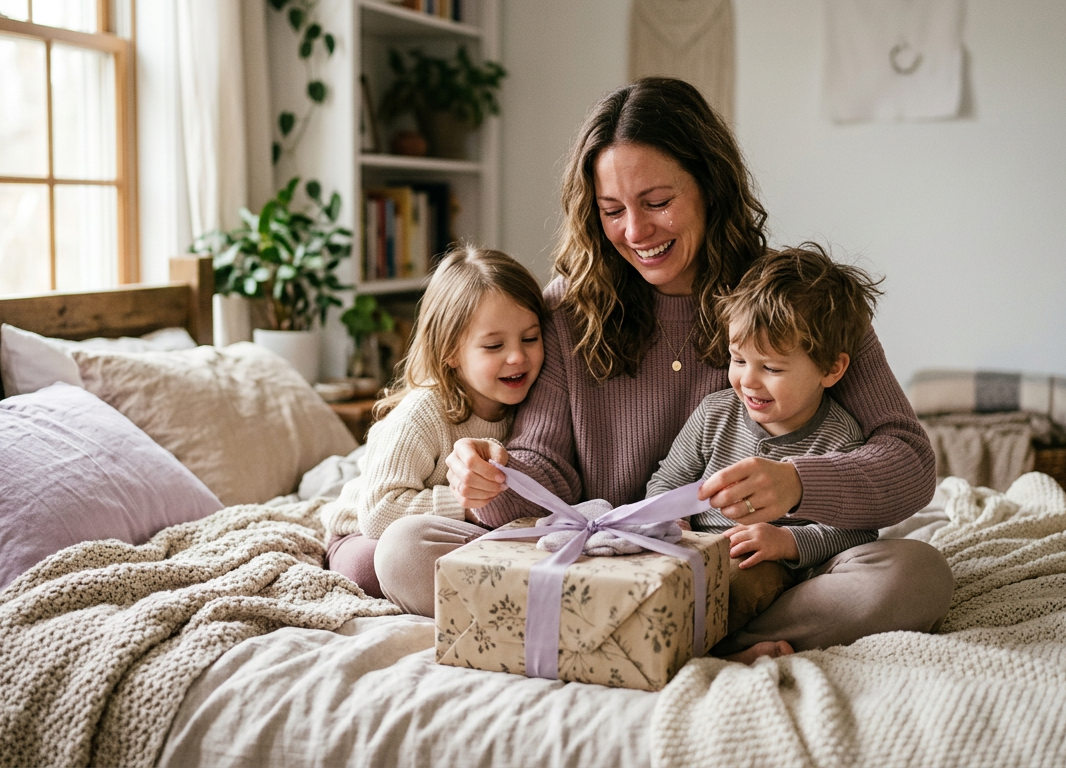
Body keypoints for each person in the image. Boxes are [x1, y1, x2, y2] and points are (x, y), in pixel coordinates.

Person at [379, 77, 954, 657]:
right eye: (612, 210)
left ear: (710, 185)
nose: (635, 231)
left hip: (755, 576)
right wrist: (497, 480)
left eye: (657, 203)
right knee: (403, 548)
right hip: (604, 567)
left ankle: (625, 638)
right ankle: (691, 641)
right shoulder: (563, 311)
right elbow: (546, 471)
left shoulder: (797, 302)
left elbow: (906, 460)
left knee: (915, 574)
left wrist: (799, 485)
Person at [645, 243, 883, 662]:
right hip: (692, 552)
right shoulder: (715, 413)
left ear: (832, 370)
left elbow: (858, 531)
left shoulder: (839, 437)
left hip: (772, 569)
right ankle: (707, 648)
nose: (748, 381)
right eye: (738, 360)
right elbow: (667, 480)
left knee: (743, 582)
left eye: (771, 368)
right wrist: (672, 521)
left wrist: (786, 542)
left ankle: (694, 655)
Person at [322, 245, 546, 602]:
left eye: (530, 339)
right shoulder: (424, 413)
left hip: (452, 531)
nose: (517, 356)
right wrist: (470, 505)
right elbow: (379, 511)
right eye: (493, 346)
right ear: (451, 352)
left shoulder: (535, 402)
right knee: (370, 566)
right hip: (365, 532)